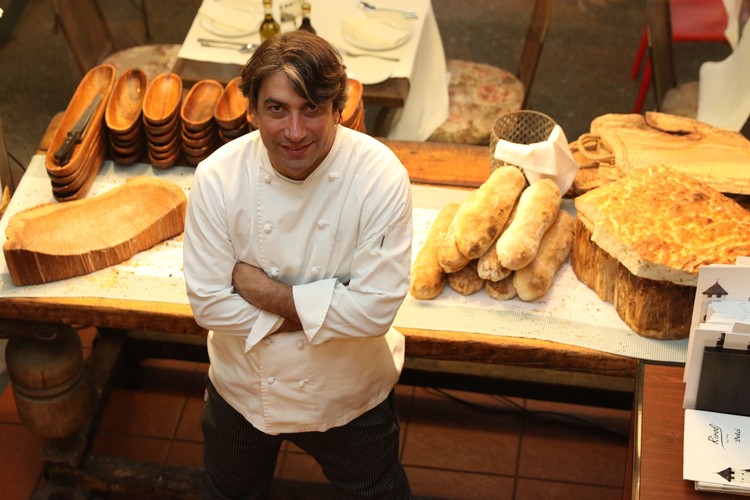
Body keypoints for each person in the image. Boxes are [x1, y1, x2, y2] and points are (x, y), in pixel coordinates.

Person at [182, 30, 414, 499]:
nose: (294, 131)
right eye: (276, 109)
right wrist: (325, 308)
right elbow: (208, 305)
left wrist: (262, 292)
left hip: (348, 393)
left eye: (311, 108)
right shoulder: (218, 177)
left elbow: (374, 313)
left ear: (337, 109)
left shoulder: (379, 176)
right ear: (251, 111)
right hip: (244, 390)